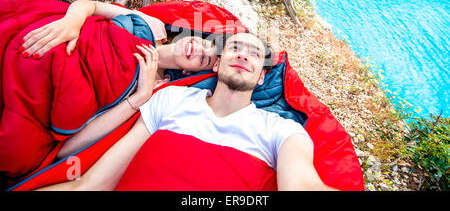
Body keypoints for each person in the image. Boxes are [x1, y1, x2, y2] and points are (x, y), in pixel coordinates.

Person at [38, 32, 337, 191]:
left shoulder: (281, 130)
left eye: (255, 54)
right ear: (217, 64)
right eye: (234, 48)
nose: (244, 54)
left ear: (261, 77)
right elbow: (93, 184)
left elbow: (302, 185)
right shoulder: (171, 99)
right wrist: (142, 96)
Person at [16, 0, 219, 159]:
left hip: (48, 88)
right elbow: (90, 6)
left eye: (203, 59)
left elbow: (68, 149)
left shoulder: (151, 89)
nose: (200, 49)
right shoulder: (153, 26)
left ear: (187, 73)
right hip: (55, 42)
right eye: (206, 44)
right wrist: (73, 22)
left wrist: (140, 96)